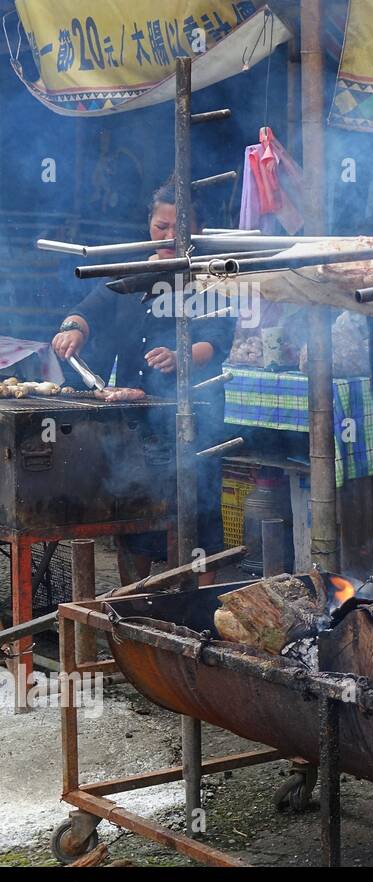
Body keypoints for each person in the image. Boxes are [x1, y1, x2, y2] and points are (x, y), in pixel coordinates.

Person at [51, 178, 235, 584]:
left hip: (194, 415)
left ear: (198, 229)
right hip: (138, 417)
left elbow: (219, 339)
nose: (169, 236)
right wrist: (73, 329)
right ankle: (136, 604)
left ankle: (201, 604)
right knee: (135, 515)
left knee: (197, 511)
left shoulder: (209, 275)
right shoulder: (132, 273)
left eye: (178, 228)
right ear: (149, 225)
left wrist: (181, 356)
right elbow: (87, 310)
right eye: (160, 227)